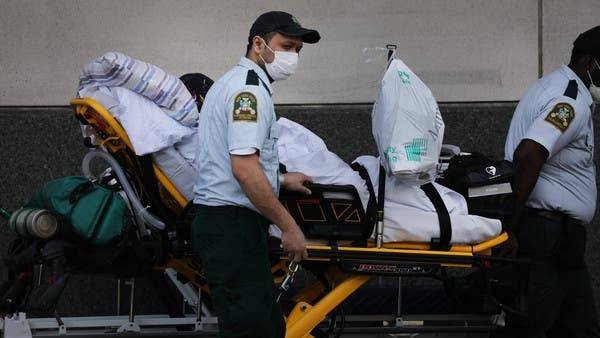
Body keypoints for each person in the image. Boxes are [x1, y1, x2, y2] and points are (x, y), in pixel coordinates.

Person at [190, 11, 320, 338]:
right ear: (258, 44)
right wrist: (289, 227)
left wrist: (280, 179)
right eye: (286, 46)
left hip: (228, 224)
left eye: (298, 50)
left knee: (261, 325)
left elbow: (233, 159)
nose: (292, 57)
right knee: (254, 329)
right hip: (231, 226)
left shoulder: (237, 82)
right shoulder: (248, 93)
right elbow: (245, 171)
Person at [504, 26, 600, 337]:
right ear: (589, 64)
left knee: (580, 328)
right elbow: (528, 155)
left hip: (560, 241)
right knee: (530, 327)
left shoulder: (555, 87)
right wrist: (509, 226)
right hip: (547, 236)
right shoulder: (569, 101)